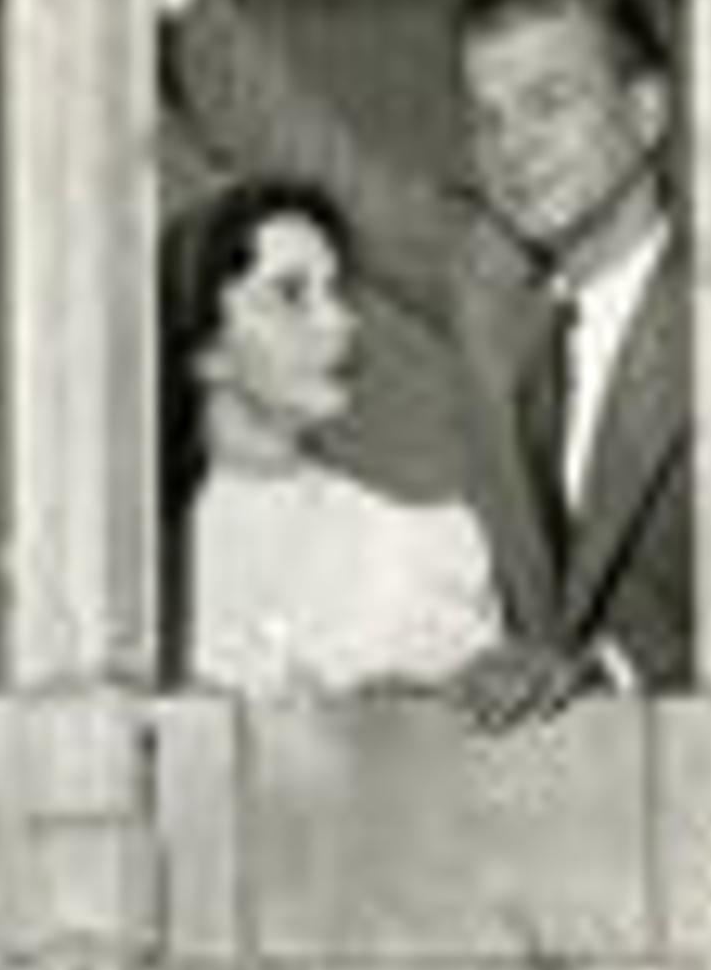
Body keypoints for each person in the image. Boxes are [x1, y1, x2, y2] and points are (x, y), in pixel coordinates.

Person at [160, 0, 690, 714]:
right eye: (488, 119)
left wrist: (607, 670)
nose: (515, 149)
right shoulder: (489, 277)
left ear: (646, 112)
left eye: (549, 103)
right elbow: (308, 155)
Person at [159, 173, 501, 700]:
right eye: (292, 295)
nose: (342, 322)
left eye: (336, 292)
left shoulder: (419, 547)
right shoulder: (140, 566)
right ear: (207, 352)